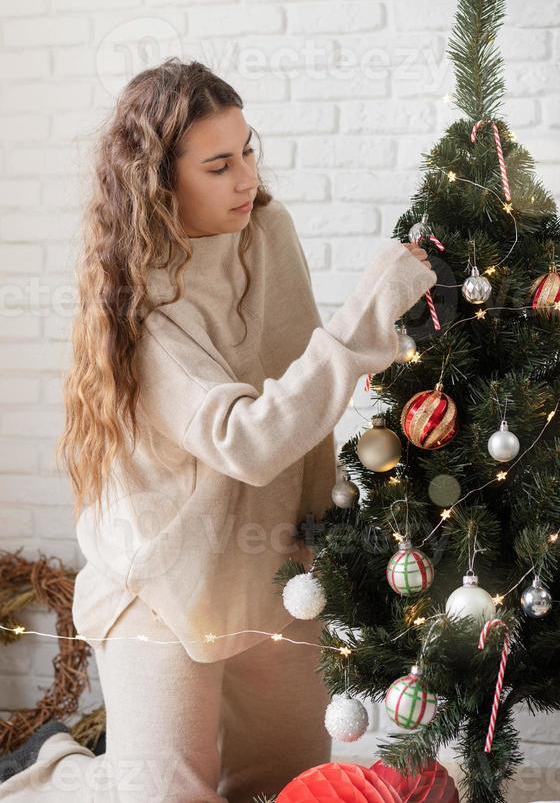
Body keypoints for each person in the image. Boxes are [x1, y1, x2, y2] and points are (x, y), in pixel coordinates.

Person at [0, 58, 436, 802]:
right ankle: (56, 770)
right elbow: (251, 439)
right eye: (219, 164)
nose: (246, 178)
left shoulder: (268, 232)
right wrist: (371, 311)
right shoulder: (138, 309)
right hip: (162, 586)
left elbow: (296, 383)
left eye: (248, 150)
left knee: (283, 787)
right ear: (160, 183)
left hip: (271, 570)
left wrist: (320, 546)